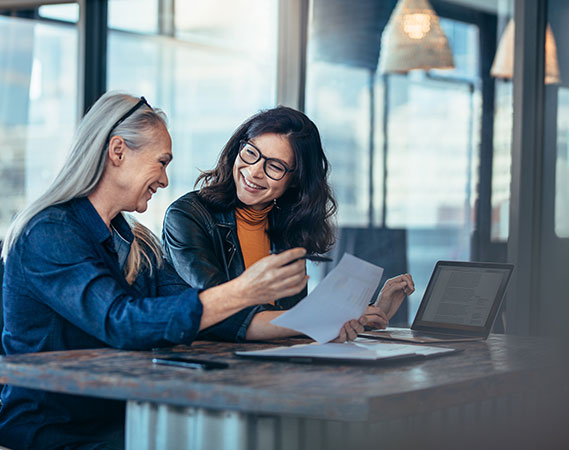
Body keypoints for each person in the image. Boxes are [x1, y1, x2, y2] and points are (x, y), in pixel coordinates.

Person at [0, 93, 361, 450]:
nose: (165, 180)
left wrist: (322, 322)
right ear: (118, 151)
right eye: (161, 162)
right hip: (53, 430)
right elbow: (121, 321)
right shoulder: (49, 232)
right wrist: (242, 291)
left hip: (118, 418)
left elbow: (203, 313)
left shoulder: (129, 237)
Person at [162, 106, 415, 341]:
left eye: (275, 166)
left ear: (295, 180)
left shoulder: (288, 226)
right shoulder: (188, 215)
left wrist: (366, 315)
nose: (254, 171)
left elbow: (292, 321)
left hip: (273, 365)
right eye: (250, 152)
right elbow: (220, 310)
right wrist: (322, 320)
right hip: (210, 367)